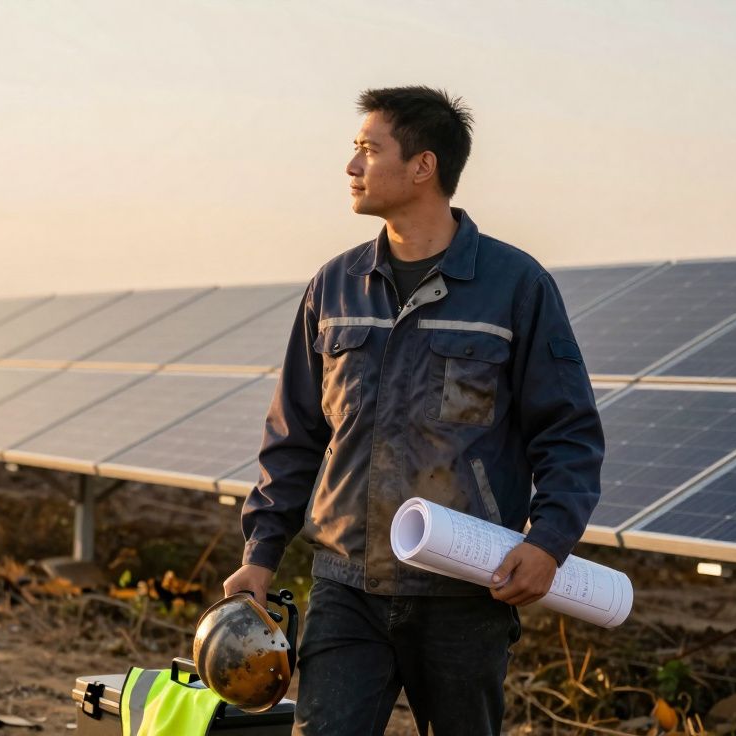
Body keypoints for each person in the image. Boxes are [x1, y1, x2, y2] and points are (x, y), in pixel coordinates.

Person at [222, 86, 604, 734]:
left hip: (463, 592)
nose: (351, 167)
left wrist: (549, 543)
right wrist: (260, 553)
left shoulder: (516, 287)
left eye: (369, 150)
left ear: (423, 166)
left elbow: (568, 434)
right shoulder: (334, 286)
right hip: (346, 585)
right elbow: (294, 434)